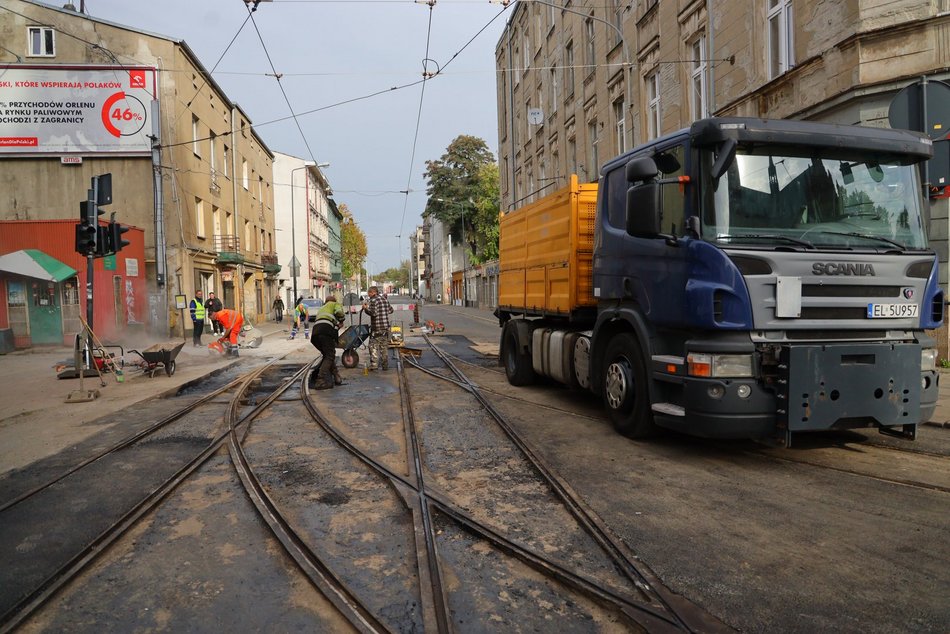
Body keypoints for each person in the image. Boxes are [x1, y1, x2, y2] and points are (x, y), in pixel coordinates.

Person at [309, 294, 346, 390]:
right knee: (330, 356)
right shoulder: (334, 304)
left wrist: (338, 326)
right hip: (325, 332)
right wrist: (342, 320)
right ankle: (320, 380)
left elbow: (328, 322)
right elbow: (339, 313)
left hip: (315, 334)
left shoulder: (323, 308)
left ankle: (336, 376)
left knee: (327, 355)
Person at [362, 285, 393, 371]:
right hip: (385, 328)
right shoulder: (384, 299)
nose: (368, 294)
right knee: (384, 347)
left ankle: (374, 365)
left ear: (373, 292)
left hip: (376, 328)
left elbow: (373, 313)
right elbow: (391, 310)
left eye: (369, 293)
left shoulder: (373, 300)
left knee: (373, 346)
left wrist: (365, 309)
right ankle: (385, 366)